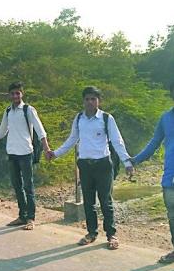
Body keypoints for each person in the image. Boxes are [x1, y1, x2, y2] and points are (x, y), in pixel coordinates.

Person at [48, 86, 134, 250]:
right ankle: (91, 233)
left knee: (106, 202)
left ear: (98, 101)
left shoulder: (107, 119)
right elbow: (72, 139)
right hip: (85, 166)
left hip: (103, 165)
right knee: (88, 202)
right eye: (87, 99)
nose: (89, 102)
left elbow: (117, 141)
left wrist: (127, 163)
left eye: (93, 99)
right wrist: (56, 153)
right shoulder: (79, 118)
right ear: (83, 101)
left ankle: (111, 235)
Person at [0, 82, 51, 230]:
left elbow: (40, 130)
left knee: (28, 186)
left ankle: (30, 218)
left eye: (18, 93)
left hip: (25, 153)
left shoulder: (28, 110)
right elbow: (2, 131)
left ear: (22, 94)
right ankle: (22, 216)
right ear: (9, 95)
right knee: (17, 186)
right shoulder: (8, 111)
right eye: (13, 93)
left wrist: (46, 148)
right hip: (12, 153)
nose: (15, 96)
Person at [131, 83, 174, 263]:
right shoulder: (165, 118)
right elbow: (154, 143)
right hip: (170, 178)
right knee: (172, 216)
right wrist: (135, 160)